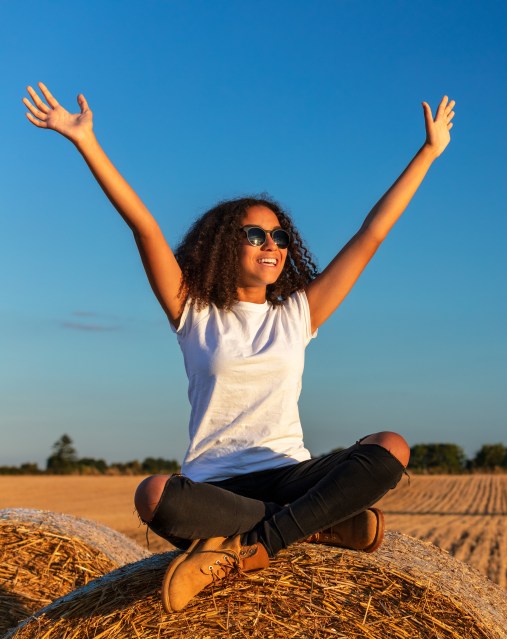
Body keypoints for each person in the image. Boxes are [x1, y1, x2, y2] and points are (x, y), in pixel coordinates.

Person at [23, 82, 455, 613]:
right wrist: (85, 141)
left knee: (391, 446)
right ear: (225, 244)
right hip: (215, 488)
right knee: (153, 495)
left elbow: (371, 235)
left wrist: (428, 153)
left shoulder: (298, 312)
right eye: (255, 235)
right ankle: (317, 523)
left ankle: (257, 548)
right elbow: (143, 226)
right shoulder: (193, 310)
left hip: (291, 472)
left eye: (279, 238)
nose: (271, 246)